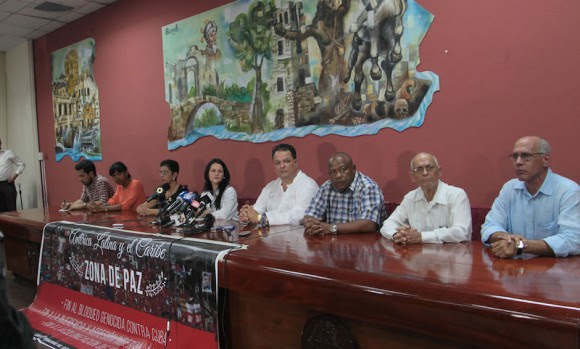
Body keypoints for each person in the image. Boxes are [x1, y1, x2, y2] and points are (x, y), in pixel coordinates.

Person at [482, 136, 580, 258]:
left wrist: (521, 246)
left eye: (526, 156)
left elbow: (573, 239)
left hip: (552, 271)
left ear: (545, 159)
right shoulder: (509, 188)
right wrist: (505, 237)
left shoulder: (568, 191)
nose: (518, 162)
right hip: (514, 270)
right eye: (515, 156)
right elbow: (490, 226)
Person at [380, 152, 472, 244]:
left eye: (430, 168)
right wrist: (398, 235)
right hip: (418, 255)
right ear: (412, 176)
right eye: (419, 169)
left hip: (452, 255)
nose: (425, 173)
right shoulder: (410, 198)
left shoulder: (456, 195)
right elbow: (388, 224)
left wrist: (422, 237)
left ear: (439, 171)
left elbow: (462, 232)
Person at [304, 152, 386, 235]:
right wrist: (311, 224)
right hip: (333, 244)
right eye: (333, 172)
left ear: (353, 169)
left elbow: (369, 224)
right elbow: (310, 215)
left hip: (363, 244)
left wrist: (332, 228)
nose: (338, 175)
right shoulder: (326, 187)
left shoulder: (368, 187)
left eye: (342, 170)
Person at [239, 144, 318, 226]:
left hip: (299, 236)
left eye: (287, 161)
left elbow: (299, 216)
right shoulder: (270, 187)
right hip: (270, 237)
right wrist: (247, 215)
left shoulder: (308, 185)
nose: (282, 166)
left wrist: (261, 219)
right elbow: (258, 209)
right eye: (277, 163)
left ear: (295, 163)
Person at [0, 138, 25, 212]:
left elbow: (21, 164)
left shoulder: (8, 153)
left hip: (7, 185)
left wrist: (15, 175)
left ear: (0, 143)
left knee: (11, 211)